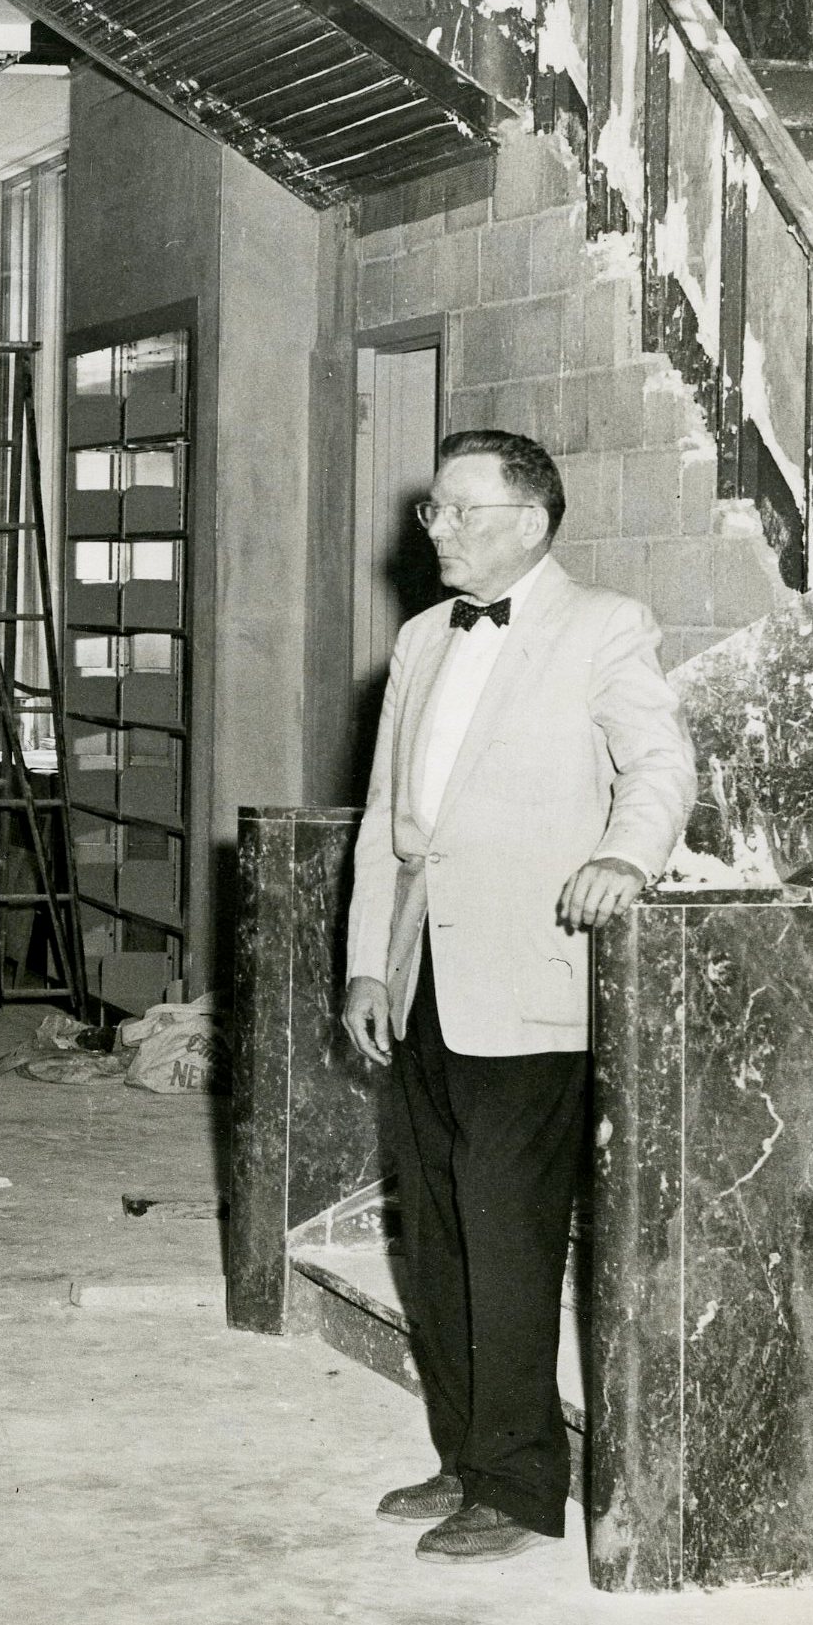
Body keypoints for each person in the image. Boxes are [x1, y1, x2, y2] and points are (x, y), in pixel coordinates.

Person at [340, 429, 697, 1564]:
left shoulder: (602, 625)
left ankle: (524, 1484)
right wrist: (364, 960)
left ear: (529, 522)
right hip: (418, 976)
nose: (431, 527)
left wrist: (625, 861)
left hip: (529, 978)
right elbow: (384, 817)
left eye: (456, 510)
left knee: (504, 1237)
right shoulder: (416, 640)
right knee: (434, 1235)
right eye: (431, 511)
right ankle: (465, 1454)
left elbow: (659, 766)